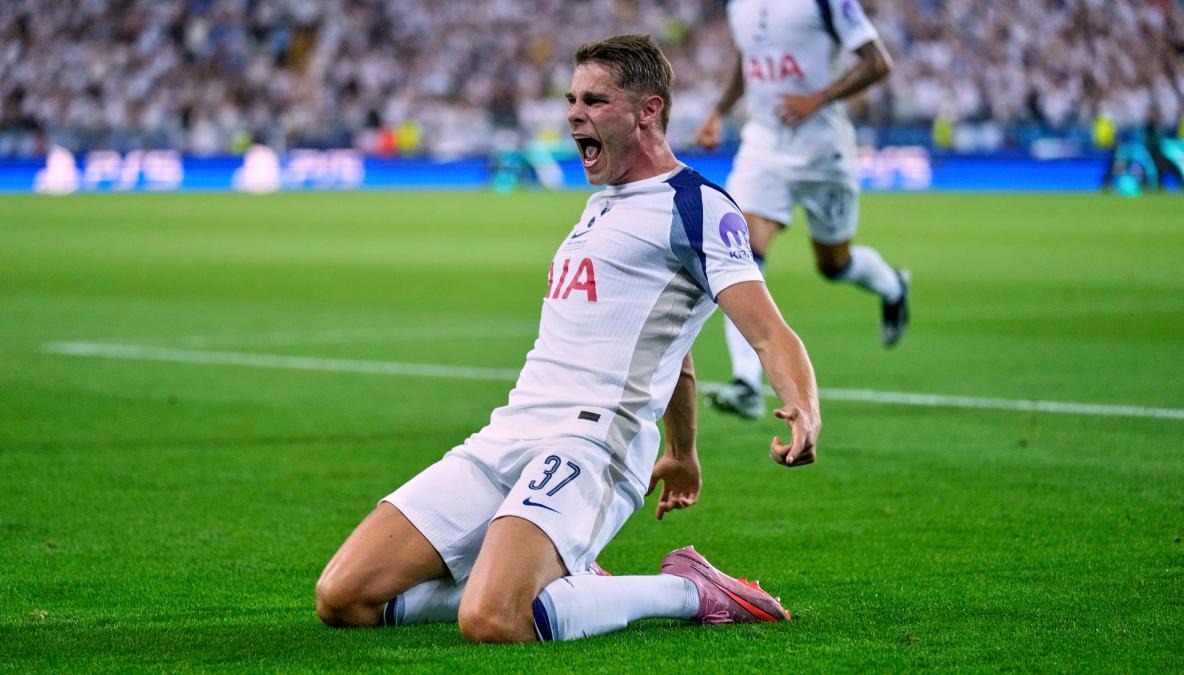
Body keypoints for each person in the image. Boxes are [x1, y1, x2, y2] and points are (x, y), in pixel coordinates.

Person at [315, 34, 821, 644]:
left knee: (493, 619)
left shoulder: (698, 207)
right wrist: (683, 451)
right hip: (511, 431)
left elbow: (769, 332)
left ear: (648, 110)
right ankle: (563, 578)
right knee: (342, 599)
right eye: (571, 99)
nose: (574, 113)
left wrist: (804, 406)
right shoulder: (597, 207)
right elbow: (673, 346)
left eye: (595, 100)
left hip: (594, 440)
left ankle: (688, 590)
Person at [696, 0, 909, 420]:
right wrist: (719, 111)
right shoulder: (739, 6)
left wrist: (819, 98)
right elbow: (748, 60)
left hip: (822, 151)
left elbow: (877, 62)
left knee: (834, 264)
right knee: (738, 252)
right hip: (764, 146)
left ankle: (892, 288)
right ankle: (746, 383)